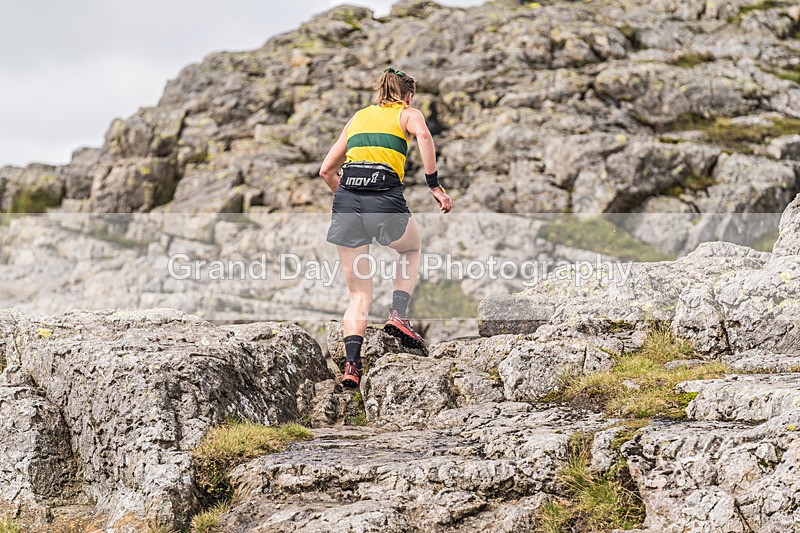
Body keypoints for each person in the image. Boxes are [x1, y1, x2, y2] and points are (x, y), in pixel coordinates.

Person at [319, 67, 453, 388]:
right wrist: (434, 186)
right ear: (407, 96)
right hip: (384, 199)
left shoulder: (357, 118)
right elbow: (423, 135)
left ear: (379, 93)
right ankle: (398, 314)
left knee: (359, 295)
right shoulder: (407, 114)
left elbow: (326, 171)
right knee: (411, 247)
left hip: (348, 202)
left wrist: (353, 200)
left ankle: (352, 366)